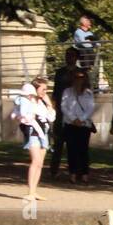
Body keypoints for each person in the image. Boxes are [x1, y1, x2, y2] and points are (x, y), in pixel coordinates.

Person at [15, 80, 55, 200]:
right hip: (33, 132)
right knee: (36, 160)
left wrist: (49, 105)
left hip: (44, 132)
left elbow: (51, 117)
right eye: (43, 89)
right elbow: (26, 115)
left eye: (46, 89)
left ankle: (34, 190)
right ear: (35, 89)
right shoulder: (28, 101)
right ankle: (30, 191)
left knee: (40, 163)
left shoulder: (42, 102)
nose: (45, 92)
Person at [60, 68, 95, 183]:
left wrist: (81, 119)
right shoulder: (67, 92)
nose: (78, 80)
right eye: (76, 77)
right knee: (71, 149)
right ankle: (73, 173)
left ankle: (84, 173)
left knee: (83, 150)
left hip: (84, 125)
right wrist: (73, 119)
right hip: (70, 124)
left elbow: (90, 108)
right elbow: (64, 107)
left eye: (81, 77)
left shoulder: (88, 93)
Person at [47, 48, 78, 177]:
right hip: (60, 112)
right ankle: (54, 170)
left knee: (74, 145)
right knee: (58, 143)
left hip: (75, 112)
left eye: (71, 55)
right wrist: (52, 108)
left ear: (76, 57)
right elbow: (55, 92)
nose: (69, 57)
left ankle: (74, 171)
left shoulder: (80, 73)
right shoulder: (60, 73)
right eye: (67, 55)